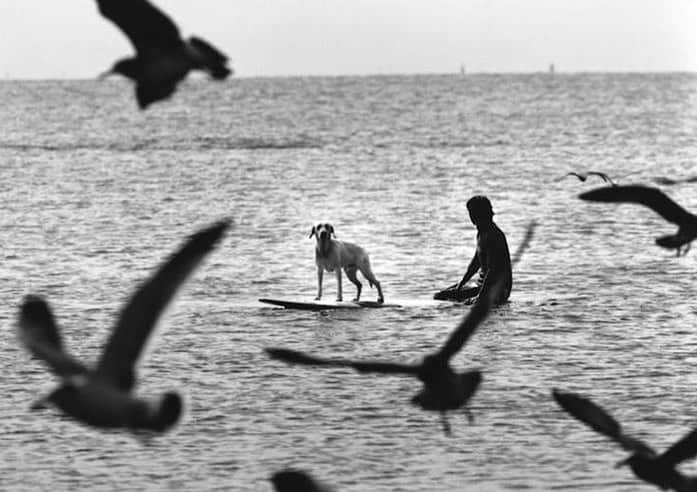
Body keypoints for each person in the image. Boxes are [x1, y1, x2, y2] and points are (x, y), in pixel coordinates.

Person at [435, 196, 512, 305]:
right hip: (482, 286)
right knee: (443, 294)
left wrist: (481, 296)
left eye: (472, 212)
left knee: (453, 300)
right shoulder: (482, 232)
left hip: (498, 290)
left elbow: (492, 271)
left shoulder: (493, 235)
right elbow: (475, 263)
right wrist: (461, 284)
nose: (471, 216)